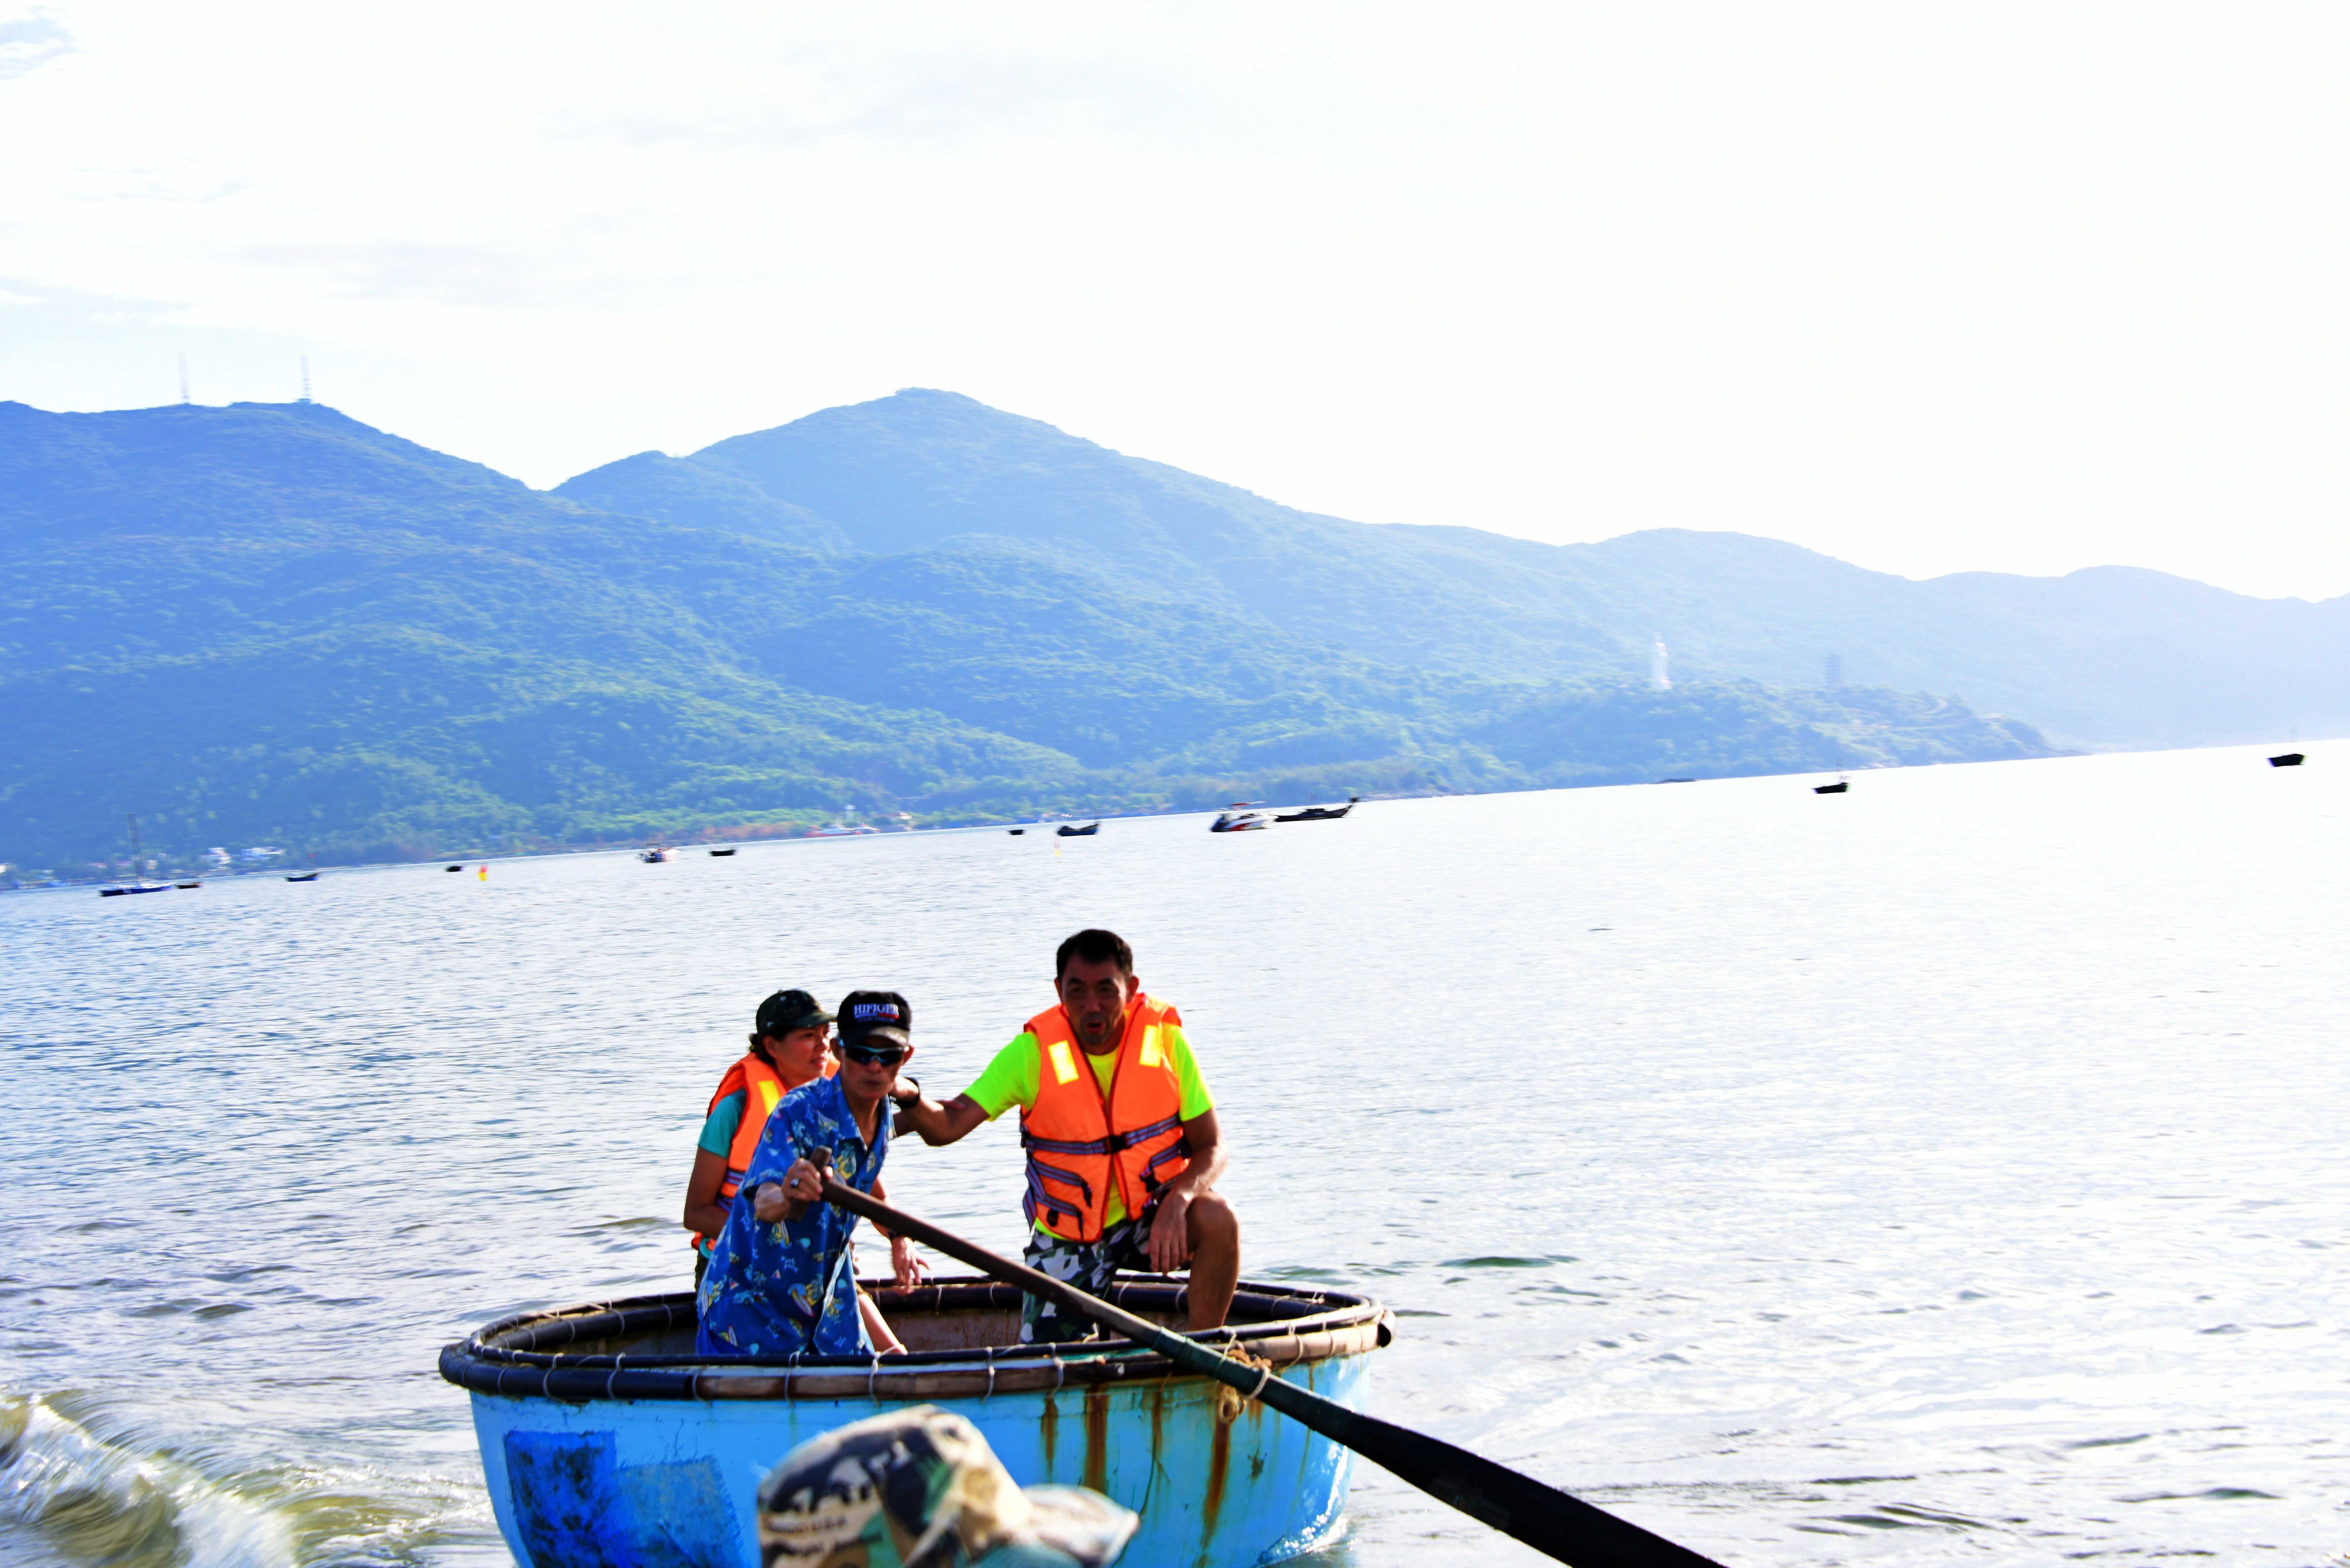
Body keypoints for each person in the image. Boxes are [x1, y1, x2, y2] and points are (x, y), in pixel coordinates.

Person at [895, 929, 1240, 1343]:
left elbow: (1213, 1147)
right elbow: (948, 1125)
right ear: (1059, 991)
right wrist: (909, 1096)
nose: (1091, 1006)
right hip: (1070, 1234)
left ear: (1131, 990)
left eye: (1106, 991)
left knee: (1218, 1218)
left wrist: (1179, 1198)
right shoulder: (1030, 1054)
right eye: (1077, 991)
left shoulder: (1164, 1041)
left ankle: (1203, 1356)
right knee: (1044, 1364)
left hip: (1153, 1218)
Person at [697, 991, 924, 1357]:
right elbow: (762, 1201)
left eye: (888, 1056)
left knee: (888, 1365)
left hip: (825, 1286)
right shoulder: (782, 1111)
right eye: (807, 1036)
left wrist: (901, 1237)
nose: (875, 1067)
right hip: (754, 1297)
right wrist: (786, 1200)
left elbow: (874, 1195)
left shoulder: (871, 1104)